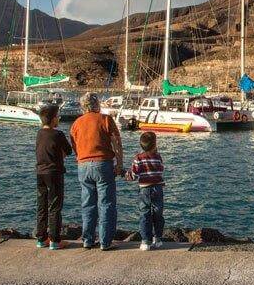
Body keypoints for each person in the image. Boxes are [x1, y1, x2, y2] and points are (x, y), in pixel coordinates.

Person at [70, 92, 125, 251]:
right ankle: (105, 241)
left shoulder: (76, 123)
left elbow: (75, 145)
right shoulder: (105, 119)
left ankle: (87, 239)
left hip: (83, 165)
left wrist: (80, 158)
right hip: (103, 164)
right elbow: (117, 143)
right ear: (97, 104)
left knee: (87, 204)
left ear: (83, 106)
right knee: (106, 203)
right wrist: (119, 164)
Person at [34, 105, 73, 250]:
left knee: (42, 205)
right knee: (55, 206)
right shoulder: (58, 134)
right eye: (57, 116)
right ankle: (55, 240)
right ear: (53, 119)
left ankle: (41, 238)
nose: (59, 119)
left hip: (40, 172)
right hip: (54, 172)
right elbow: (68, 151)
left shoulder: (39, 133)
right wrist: (60, 156)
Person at [125, 132, 166, 251]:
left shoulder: (138, 158)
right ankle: (158, 238)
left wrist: (126, 175)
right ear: (154, 145)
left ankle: (145, 241)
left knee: (144, 213)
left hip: (144, 188)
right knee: (158, 212)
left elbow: (134, 175)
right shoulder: (158, 157)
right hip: (157, 187)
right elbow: (161, 170)